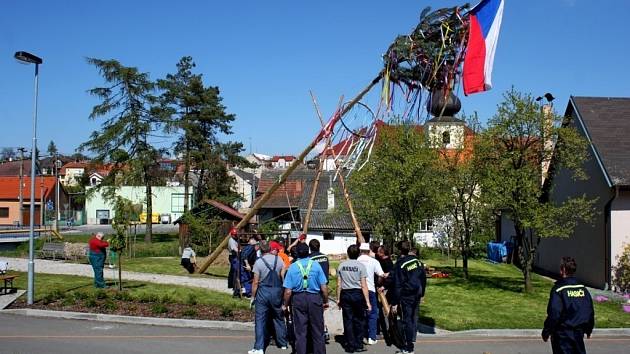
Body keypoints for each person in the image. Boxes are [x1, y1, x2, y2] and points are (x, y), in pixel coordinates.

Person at [283, 242, 329, 354]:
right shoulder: (316, 265)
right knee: (317, 329)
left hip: (298, 299)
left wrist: (285, 305)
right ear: (308, 253)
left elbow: (288, 291)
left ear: (297, 253)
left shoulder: (292, 267)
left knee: (300, 331)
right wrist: (325, 301)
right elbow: (324, 287)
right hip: (314, 297)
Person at [542, 257, 594, 354]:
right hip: (578, 334)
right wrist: (589, 328)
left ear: (563, 270)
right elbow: (589, 311)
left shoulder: (559, 289)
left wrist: (546, 331)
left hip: (562, 335)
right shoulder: (583, 289)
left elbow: (554, 313)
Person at [249, 241, 288, 354]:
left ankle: (259, 347)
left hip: (263, 292)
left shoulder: (258, 262)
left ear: (260, 250)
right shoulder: (279, 260)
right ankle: (283, 343)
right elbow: (282, 277)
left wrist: (252, 297)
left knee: (260, 320)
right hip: (277, 291)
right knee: (279, 316)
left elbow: (255, 282)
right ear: (270, 248)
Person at [389, 241, 426, 354]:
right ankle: (411, 340)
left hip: (407, 295)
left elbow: (398, 284)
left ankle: (408, 347)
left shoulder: (401, 264)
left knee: (407, 320)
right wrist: (422, 293)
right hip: (417, 293)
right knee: (413, 318)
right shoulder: (417, 262)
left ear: (400, 251)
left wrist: (394, 302)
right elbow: (423, 278)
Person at [337, 244, 371, 353]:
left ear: (348, 253)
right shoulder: (361, 266)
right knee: (359, 320)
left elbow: (339, 284)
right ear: (359, 254)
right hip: (357, 294)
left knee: (348, 320)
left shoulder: (341, 266)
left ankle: (350, 344)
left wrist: (338, 299)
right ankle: (358, 343)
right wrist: (367, 301)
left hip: (345, 293)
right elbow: (364, 285)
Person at [358, 243, 386, 345]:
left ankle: (360, 335)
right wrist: (378, 283)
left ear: (360, 251)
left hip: (358, 290)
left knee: (360, 314)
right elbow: (381, 275)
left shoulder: (357, 261)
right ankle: (371, 337)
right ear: (369, 251)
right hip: (370, 289)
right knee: (373, 313)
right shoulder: (374, 261)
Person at [228, 226, 240, 297]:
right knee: (234, 271)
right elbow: (235, 249)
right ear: (232, 235)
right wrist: (240, 252)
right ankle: (233, 285)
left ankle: (231, 284)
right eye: (235, 235)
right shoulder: (231, 240)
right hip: (233, 256)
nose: (236, 236)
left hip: (234, 256)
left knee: (233, 271)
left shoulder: (235, 239)